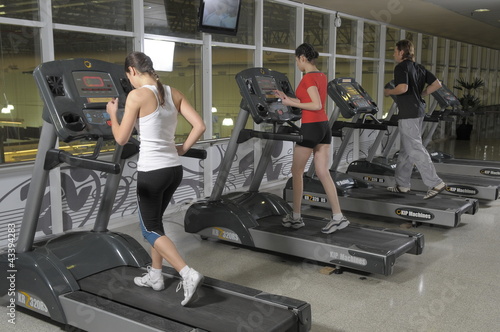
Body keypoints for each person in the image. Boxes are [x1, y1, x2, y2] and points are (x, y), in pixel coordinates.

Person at [106, 52, 206, 306]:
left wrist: (112, 116)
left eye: (128, 76)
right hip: (174, 169)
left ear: (132, 71)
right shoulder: (173, 92)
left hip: (152, 172)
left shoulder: (136, 96)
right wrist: (181, 149)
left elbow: (121, 138)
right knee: (156, 223)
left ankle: (187, 272)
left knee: (148, 228)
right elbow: (200, 126)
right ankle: (156, 275)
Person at [274, 43, 349, 234]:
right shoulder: (321, 76)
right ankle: (338, 217)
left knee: (296, 171)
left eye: (296, 60)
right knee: (323, 172)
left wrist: (289, 102)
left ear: (302, 58)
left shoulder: (307, 78)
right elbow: (313, 102)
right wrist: (288, 98)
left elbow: (315, 104)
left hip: (311, 127)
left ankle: (296, 216)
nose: (297, 64)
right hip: (323, 127)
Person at [384, 39, 446, 199]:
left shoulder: (401, 67)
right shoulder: (419, 67)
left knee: (415, 149)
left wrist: (389, 92)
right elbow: (437, 84)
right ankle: (402, 185)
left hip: (409, 112)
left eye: (395, 51)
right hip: (418, 111)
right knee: (406, 150)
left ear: (401, 52)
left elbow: (402, 88)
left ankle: (435, 183)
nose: (393, 54)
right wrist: (422, 94)